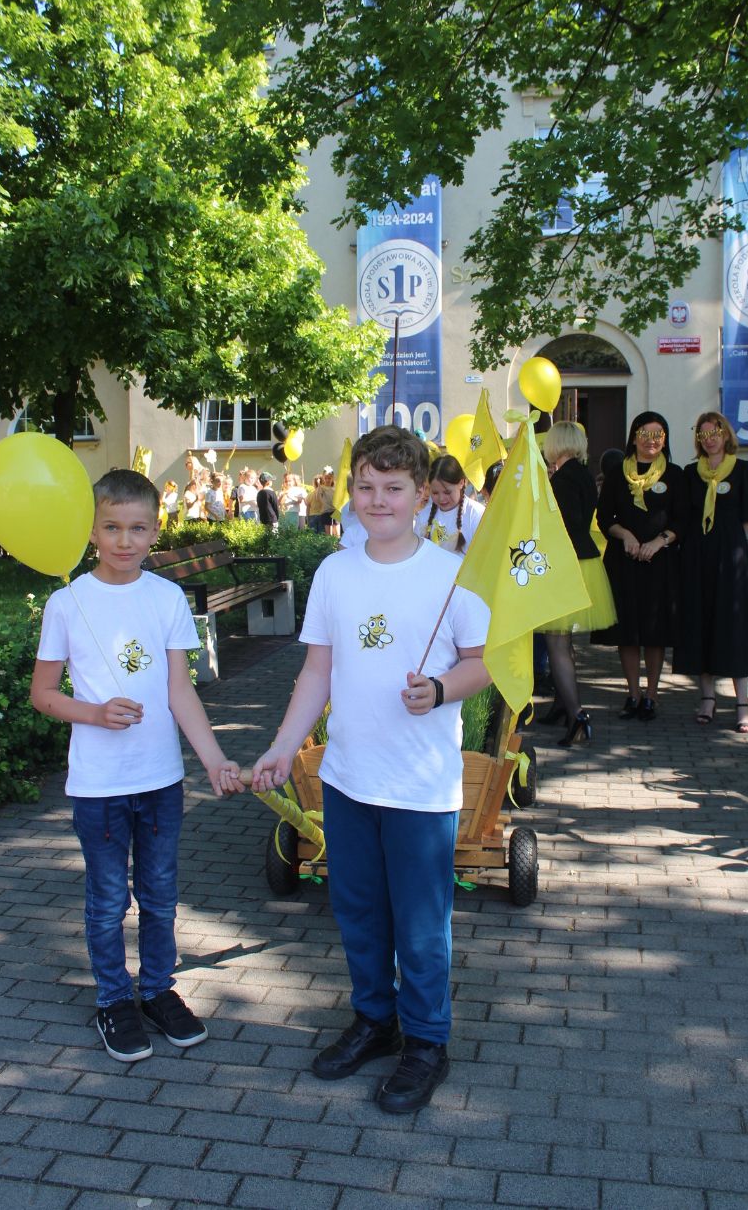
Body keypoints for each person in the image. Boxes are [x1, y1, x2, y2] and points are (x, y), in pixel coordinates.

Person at [248, 426, 490, 1113]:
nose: (377, 500)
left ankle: (426, 1042)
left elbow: (482, 661)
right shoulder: (335, 572)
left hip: (419, 787)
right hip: (349, 780)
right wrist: (281, 746)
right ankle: (374, 1021)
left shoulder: (452, 575)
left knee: (419, 924)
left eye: (394, 488)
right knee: (356, 912)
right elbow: (316, 673)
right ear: (350, 490)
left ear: (422, 496)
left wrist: (441, 690)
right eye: (366, 487)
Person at [30, 469, 242, 1063]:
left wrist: (215, 759)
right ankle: (113, 1000)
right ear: (92, 528)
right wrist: (94, 713)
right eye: (112, 527)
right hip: (98, 786)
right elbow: (43, 694)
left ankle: (157, 991)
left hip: (160, 782)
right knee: (105, 899)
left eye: (139, 528)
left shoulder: (167, 597)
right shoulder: (66, 602)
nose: (125, 540)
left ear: (156, 530)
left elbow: (181, 691)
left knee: (160, 894)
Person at [591, 411, 686, 721]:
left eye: (658, 434)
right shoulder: (618, 474)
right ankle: (632, 694)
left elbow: (681, 521)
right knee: (628, 632)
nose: (651, 441)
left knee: (654, 633)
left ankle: (652, 695)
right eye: (645, 434)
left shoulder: (674, 474)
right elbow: (606, 519)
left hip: (661, 564)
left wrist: (659, 542)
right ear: (633, 437)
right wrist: (626, 536)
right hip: (625, 563)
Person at [673, 412, 748, 732]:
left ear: (727, 436)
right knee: (700, 624)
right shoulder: (690, 474)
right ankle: (707, 698)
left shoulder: (743, 471)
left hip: (730, 559)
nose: (709, 438)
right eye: (703, 434)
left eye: (715, 432)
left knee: (733, 626)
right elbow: (683, 516)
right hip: (696, 558)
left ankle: (742, 703)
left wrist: (725, 540)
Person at [540, 422, 617, 746]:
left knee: (557, 645)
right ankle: (563, 706)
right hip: (582, 561)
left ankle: (577, 717)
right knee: (564, 643)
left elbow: (566, 524)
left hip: (567, 563)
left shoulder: (564, 478)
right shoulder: (582, 472)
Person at [419, 454, 484, 554]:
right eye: (435, 493)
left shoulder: (476, 515)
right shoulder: (423, 516)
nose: (441, 498)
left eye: (447, 492)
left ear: (461, 483)